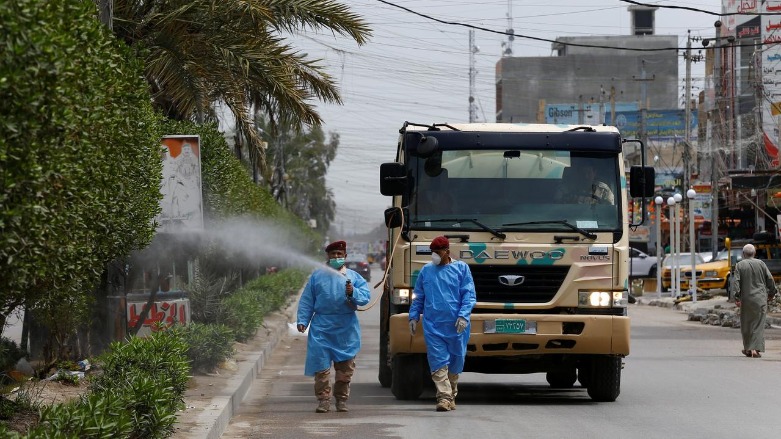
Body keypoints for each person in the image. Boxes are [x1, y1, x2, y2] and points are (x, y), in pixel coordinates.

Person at [297, 240, 371, 413]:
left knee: (345, 370)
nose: (336, 257)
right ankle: (323, 400)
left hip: (346, 328)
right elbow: (307, 300)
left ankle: (341, 400)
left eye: (339, 254)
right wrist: (302, 321)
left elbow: (365, 297)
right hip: (321, 328)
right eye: (333, 254)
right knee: (321, 368)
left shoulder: (354, 277)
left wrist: (353, 292)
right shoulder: (317, 276)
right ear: (328, 256)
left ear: (345, 256)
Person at [408, 236, 476, 412]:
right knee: (438, 361)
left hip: (456, 326)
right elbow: (418, 296)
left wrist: (463, 316)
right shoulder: (426, 271)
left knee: (456, 361)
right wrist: (413, 317)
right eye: (432, 252)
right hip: (433, 325)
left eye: (438, 252)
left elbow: (468, 295)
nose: (434, 256)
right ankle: (444, 397)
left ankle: (451, 394)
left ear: (447, 251)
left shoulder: (461, 269)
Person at [732, 243, 777, 358]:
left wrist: (736, 297)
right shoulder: (761, 264)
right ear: (755, 253)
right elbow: (770, 279)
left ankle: (748, 348)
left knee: (746, 324)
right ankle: (755, 349)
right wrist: (772, 292)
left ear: (743, 254)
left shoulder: (739, 265)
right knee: (758, 324)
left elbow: (736, 282)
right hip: (760, 299)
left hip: (746, 299)